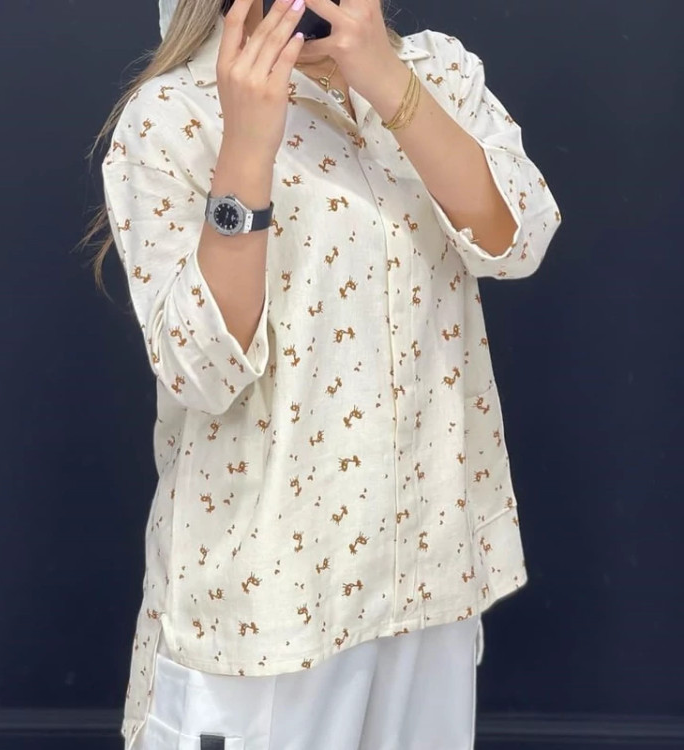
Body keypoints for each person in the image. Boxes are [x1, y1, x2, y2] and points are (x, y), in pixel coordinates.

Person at [84, 0, 561, 747]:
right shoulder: (175, 114)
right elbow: (201, 370)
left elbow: (519, 240)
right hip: (269, 597)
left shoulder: (437, 70)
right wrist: (247, 146)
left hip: (428, 568)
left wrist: (386, 79)